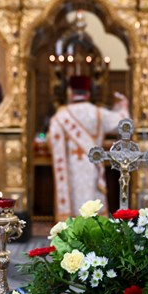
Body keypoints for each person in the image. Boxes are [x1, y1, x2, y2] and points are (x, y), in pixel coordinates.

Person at [47, 76, 129, 220]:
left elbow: (51, 139)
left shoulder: (60, 116)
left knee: (74, 206)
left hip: (70, 169)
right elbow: (123, 124)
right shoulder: (98, 113)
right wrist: (122, 107)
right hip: (93, 167)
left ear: (70, 92)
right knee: (92, 204)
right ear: (88, 93)